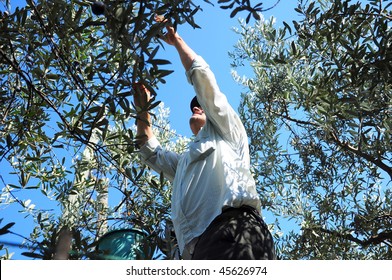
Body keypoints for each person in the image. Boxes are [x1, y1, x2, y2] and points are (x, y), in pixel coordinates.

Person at [133, 21, 276, 260]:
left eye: (201, 106)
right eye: (193, 106)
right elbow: (149, 151)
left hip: (234, 230)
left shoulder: (226, 131)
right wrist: (143, 109)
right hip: (200, 249)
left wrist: (176, 41)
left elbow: (203, 79)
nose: (197, 107)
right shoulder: (184, 164)